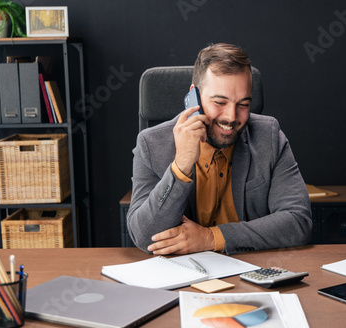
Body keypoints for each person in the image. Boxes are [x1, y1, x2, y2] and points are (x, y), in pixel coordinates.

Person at [127, 43, 312, 255]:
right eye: (220, 102)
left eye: (243, 104)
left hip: (250, 271)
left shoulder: (268, 136)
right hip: (183, 277)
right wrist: (181, 166)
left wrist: (211, 238)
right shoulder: (151, 144)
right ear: (193, 97)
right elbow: (144, 236)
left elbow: (299, 221)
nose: (231, 117)